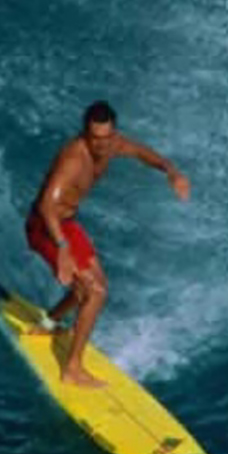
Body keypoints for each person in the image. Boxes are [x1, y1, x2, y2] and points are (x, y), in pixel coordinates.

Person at [24, 101, 190, 389]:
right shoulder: (73, 159)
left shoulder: (113, 145)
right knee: (95, 292)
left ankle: (48, 323)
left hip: (67, 224)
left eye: (106, 137)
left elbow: (140, 152)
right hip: (45, 227)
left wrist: (170, 171)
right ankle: (72, 369)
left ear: (113, 134)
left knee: (95, 284)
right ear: (85, 133)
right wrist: (62, 247)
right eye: (94, 138)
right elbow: (47, 205)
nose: (100, 145)